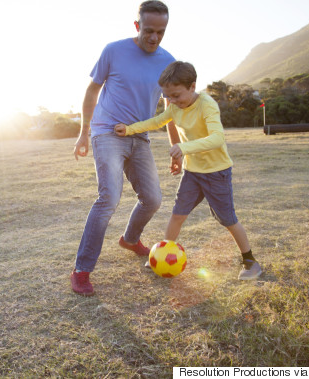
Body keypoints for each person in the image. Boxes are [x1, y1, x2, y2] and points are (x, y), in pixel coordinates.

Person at [115, 61, 263, 280]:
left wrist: (184, 148)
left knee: (227, 220)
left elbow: (217, 138)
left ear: (192, 86)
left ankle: (251, 262)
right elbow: (157, 122)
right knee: (177, 215)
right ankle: (164, 256)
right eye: (168, 97)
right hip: (192, 173)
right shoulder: (174, 107)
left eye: (176, 95)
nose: (172, 102)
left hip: (216, 172)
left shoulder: (207, 105)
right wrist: (129, 129)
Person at [71, 1, 180, 296]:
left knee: (153, 199)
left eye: (161, 31)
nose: (154, 37)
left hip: (140, 136)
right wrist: (83, 133)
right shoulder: (113, 51)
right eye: (149, 30)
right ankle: (82, 271)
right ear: (137, 26)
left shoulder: (168, 63)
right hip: (107, 132)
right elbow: (92, 90)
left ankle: (130, 239)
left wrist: (176, 147)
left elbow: (170, 107)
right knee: (109, 198)